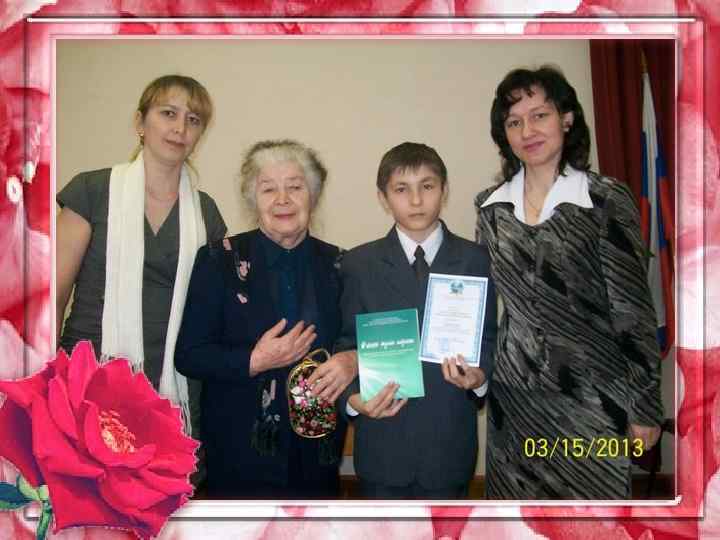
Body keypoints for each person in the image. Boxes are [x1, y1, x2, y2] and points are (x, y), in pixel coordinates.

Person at [475, 65, 664, 499]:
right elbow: (483, 305)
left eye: (539, 115)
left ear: (567, 118)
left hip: (593, 401)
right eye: (514, 122)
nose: (527, 131)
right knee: (518, 521)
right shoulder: (490, 208)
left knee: (589, 519)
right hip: (515, 401)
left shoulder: (605, 200)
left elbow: (633, 310)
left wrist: (645, 405)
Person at [56, 75, 227, 457]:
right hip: (90, 372)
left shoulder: (206, 211)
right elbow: (53, 295)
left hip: (174, 384)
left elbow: (215, 308)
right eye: (168, 113)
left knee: (169, 489)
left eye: (193, 120)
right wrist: (41, 377)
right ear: (140, 122)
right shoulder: (91, 191)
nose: (180, 128)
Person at [175, 139, 354, 499]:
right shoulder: (218, 261)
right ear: (252, 200)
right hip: (239, 452)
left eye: (295, 187)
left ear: (313, 196)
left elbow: (357, 340)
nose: (282, 199)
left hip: (317, 454)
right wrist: (254, 360)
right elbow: (189, 355)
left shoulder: (341, 264)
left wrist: (352, 360)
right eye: (268, 189)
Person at [334, 142, 497, 499]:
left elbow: (489, 338)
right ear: (383, 198)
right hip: (383, 444)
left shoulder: (476, 260)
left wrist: (479, 377)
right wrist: (353, 399)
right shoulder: (358, 265)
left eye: (427, 186)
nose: (417, 200)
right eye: (401, 189)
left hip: (449, 442)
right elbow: (345, 345)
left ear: (444, 190)